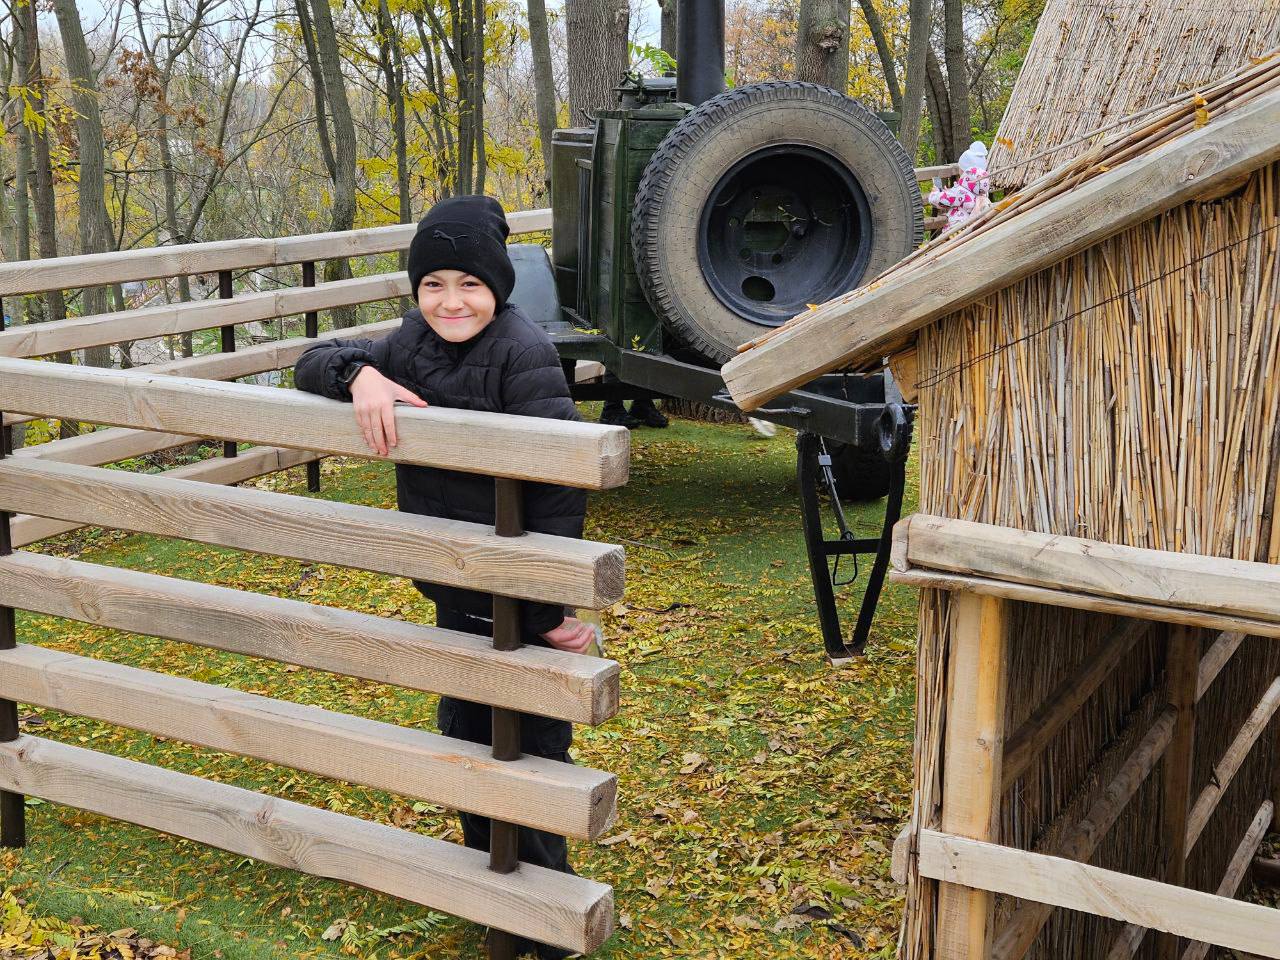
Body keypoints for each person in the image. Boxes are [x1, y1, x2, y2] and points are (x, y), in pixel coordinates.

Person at [294, 195, 592, 960]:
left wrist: (547, 606)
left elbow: (559, 488)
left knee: (531, 745)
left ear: (498, 286)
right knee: (464, 731)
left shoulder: (524, 354)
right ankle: (489, 884)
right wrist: (358, 374)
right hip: (452, 587)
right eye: (432, 285)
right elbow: (306, 360)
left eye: (468, 284)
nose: (450, 301)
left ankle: (545, 911)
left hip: (519, 593)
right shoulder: (407, 345)